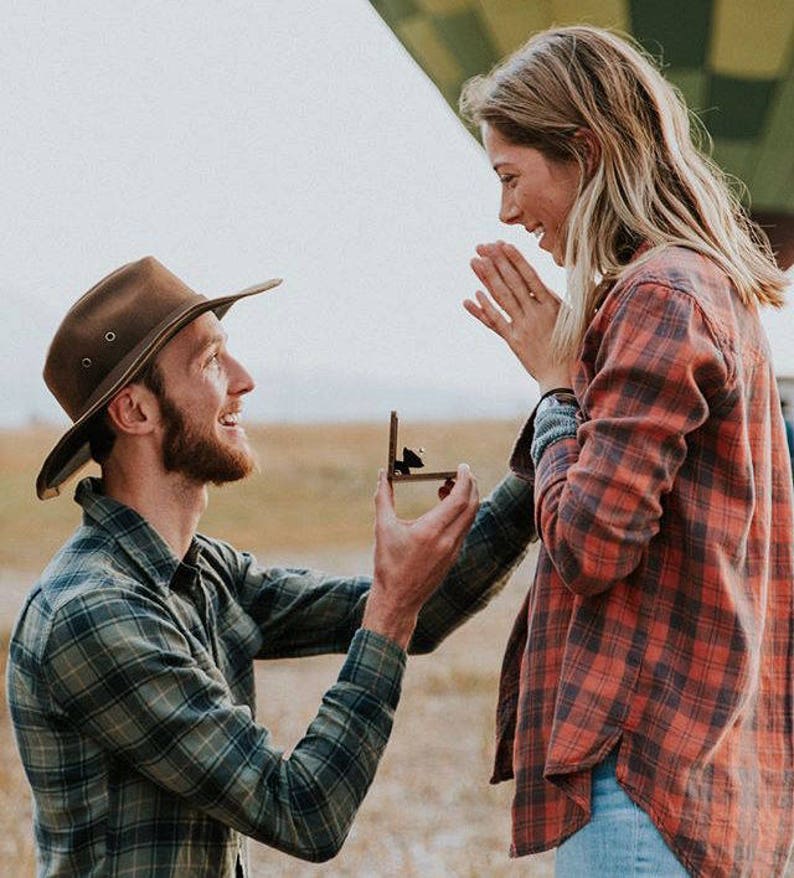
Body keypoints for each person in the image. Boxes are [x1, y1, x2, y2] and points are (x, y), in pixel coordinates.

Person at [6, 256, 536, 877]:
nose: (245, 379)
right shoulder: (93, 614)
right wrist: (393, 606)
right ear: (135, 413)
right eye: (210, 361)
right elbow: (304, 810)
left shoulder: (205, 574)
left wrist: (553, 431)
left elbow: (423, 609)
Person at [458, 25, 794, 877]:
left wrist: (556, 389)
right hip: (709, 782)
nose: (505, 212)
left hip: (646, 784)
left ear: (587, 150)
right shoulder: (704, 289)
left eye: (511, 176)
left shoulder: (658, 293)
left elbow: (590, 544)